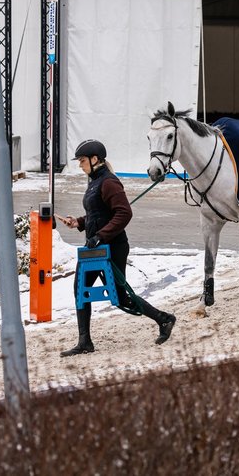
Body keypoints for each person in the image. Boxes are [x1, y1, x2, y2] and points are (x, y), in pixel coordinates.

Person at [57, 139, 176, 357]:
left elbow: (124, 213)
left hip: (113, 247)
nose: (80, 165)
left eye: (82, 160)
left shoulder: (108, 182)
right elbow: (98, 214)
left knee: (120, 297)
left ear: (95, 160)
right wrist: (79, 222)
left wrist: (100, 236)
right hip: (95, 247)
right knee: (80, 290)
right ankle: (85, 342)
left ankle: (164, 319)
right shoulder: (94, 181)